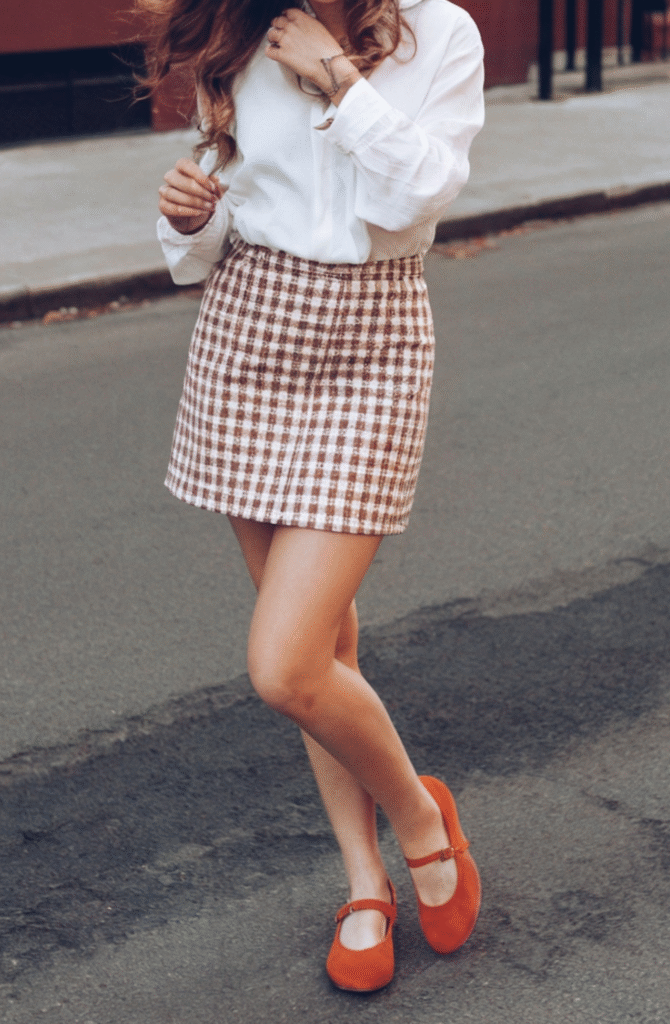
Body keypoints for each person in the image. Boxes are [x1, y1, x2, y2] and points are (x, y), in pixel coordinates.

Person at [147, 0, 485, 993]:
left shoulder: (440, 32)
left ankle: (423, 822)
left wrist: (341, 79)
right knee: (326, 650)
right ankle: (363, 883)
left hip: (370, 343)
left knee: (284, 664)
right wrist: (181, 219)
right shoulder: (239, 29)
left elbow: (417, 197)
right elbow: (224, 198)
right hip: (249, 332)